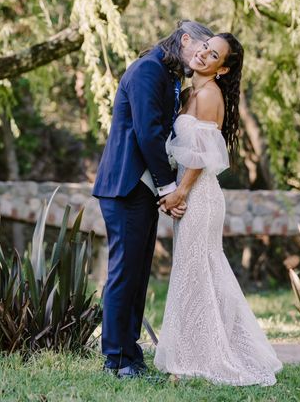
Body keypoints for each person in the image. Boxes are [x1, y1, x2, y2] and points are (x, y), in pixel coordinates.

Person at [154, 33, 283, 385]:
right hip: (189, 190)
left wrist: (180, 192)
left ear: (222, 68)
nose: (202, 56)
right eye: (204, 48)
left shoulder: (210, 95)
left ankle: (194, 359)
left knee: (194, 273)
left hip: (200, 195)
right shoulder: (190, 90)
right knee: (202, 272)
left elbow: (203, 154)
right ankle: (206, 351)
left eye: (213, 55)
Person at [93, 20, 214, 378]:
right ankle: (115, 359)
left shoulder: (170, 75)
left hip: (141, 189)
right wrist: (168, 189)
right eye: (202, 49)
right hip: (126, 186)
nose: (202, 57)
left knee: (138, 275)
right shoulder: (148, 70)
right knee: (123, 274)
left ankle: (131, 356)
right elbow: (147, 134)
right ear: (186, 39)